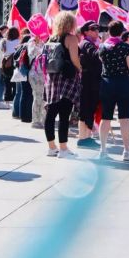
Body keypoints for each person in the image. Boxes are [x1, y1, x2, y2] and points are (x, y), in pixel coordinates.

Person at [43, 12, 83, 158]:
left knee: (51, 113)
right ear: (70, 24)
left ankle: (51, 147)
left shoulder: (51, 38)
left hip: (53, 78)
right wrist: (81, 69)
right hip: (67, 78)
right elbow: (74, 59)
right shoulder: (71, 38)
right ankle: (63, 149)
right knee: (64, 114)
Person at [98, 22, 129, 160]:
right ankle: (126, 151)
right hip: (122, 82)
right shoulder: (125, 47)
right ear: (121, 32)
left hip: (107, 83)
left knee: (105, 118)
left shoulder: (102, 46)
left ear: (109, 31)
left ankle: (103, 150)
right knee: (124, 119)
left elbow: (101, 61)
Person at [77, 22, 102, 148]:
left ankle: (85, 137)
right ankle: (83, 138)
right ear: (86, 31)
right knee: (86, 110)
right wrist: (106, 46)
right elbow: (97, 56)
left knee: (89, 110)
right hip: (87, 83)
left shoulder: (90, 43)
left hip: (91, 82)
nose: (97, 32)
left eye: (98, 29)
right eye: (93, 29)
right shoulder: (86, 44)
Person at [11, 30, 34, 123]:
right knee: (28, 94)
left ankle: (19, 114)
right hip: (28, 72)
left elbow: (15, 58)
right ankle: (27, 115)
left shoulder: (20, 47)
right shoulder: (29, 47)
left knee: (21, 93)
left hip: (20, 72)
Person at [27, 31, 46, 129]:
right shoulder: (32, 41)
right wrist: (37, 43)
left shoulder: (45, 41)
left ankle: (43, 119)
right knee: (38, 96)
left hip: (44, 74)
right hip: (35, 73)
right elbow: (31, 54)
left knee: (43, 98)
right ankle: (36, 120)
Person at [0, 26, 20, 104]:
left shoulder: (4, 41)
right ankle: (15, 99)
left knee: (7, 82)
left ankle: (7, 100)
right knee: (15, 82)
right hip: (14, 63)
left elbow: (2, 51)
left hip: (5, 62)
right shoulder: (18, 41)